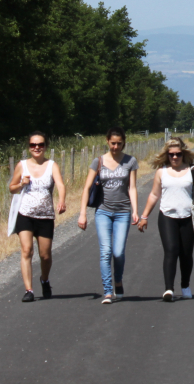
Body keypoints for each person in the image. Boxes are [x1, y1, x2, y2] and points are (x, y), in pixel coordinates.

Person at [138, 137, 194, 301]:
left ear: (183, 154)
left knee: (186, 254)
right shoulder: (161, 172)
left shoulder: (192, 170)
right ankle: (168, 289)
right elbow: (154, 195)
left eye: (178, 154)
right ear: (167, 155)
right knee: (171, 250)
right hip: (167, 216)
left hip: (188, 217)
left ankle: (185, 286)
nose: (175, 157)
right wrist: (144, 216)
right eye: (171, 155)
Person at [78, 127, 139, 304]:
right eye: (113, 143)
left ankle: (118, 281)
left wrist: (135, 210)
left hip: (122, 212)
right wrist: (83, 214)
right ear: (107, 141)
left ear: (124, 143)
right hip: (103, 211)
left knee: (118, 252)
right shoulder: (98, 162)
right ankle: (107, 291)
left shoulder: (130, 161)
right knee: (106, 251)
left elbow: (132, 188)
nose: (116, 147)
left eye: (119, 143)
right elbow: (86, 188)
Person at [8, 131, 66, 302]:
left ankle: (44, 279)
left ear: (45, 146)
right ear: (29, 147)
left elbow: (61, 185)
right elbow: (11, 187)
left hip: (45, 216)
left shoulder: (51, 165)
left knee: (45, 255)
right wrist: (20, 184)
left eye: (40, 144)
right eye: (33, 145)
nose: (37, 148)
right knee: (27, 250)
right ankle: (29, 290)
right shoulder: (22, 165)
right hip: (25, 214)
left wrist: (61, 201)